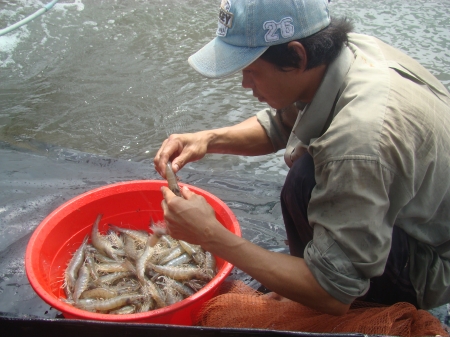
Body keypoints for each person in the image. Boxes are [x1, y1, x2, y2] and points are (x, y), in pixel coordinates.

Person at [154, 0, 450, 315]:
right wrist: (208, 139)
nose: (244, 83)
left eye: (252, 70)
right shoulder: (346, 55)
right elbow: (283, 123)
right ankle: (301, 276)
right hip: (409, 208)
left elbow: (334, 292)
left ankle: (335, 298)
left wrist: (212, 235)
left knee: (304, 181)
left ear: (296, 55)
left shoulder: (358, 141)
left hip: (432, 261)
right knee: (306, 179)